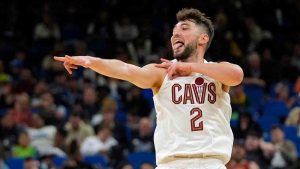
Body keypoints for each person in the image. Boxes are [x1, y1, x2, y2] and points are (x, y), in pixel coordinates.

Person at [54, 8, 243, 169]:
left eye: (184, 28)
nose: (175, 34)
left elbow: (237, 75)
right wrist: (90, 61)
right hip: (171, 163)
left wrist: (191, 68)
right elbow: (126, 70)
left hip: (211, 163)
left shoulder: (217, 71)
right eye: (173, 31)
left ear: (203, 38)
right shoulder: (161, 73)